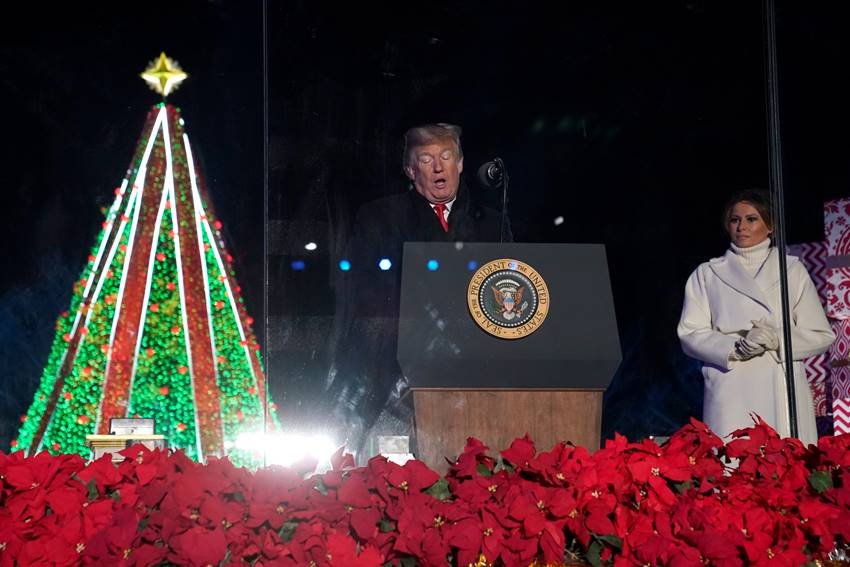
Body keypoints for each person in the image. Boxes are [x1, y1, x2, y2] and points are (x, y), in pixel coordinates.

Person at [335, 123, 510, 458]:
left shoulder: (492, 224)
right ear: (410, 169)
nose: (439, 167)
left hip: (476, 372)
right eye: (427, 159)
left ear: (461, 163)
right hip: (396, 373)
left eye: (446, 156)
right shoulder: (380, 217)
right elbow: (362, 290)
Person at [677, 189, 834, 445]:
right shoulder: (707, 274)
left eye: (751, 219)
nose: (741, 227)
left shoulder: (791, 270)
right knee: (732, 458)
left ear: (770, 225)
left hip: (779, 380)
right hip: (731, 382)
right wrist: (734, 348)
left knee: (784, 459)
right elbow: (690, 333)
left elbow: (820, 334)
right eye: (735, 220)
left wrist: (777, 340)